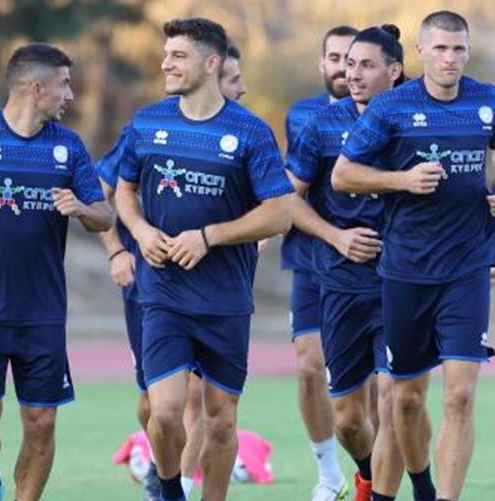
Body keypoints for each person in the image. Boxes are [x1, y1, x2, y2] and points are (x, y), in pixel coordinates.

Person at [332, 10, 495, 501]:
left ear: (468, 52)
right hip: (406, 270)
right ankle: (418, 487)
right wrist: (402, 180)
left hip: (468, 268)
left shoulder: (486, 99)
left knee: (460, 395)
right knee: (407, 400)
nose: (449, 58)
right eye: (440, 48)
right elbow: (343, 175)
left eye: (458, 49)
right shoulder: (390, 108)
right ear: (420, 53)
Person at [114, 17, 294, 501]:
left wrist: (209, 237)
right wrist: (140, 231)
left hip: (225, 299)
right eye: (166, 55)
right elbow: (124, 190)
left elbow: (279, 213)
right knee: (165, 412)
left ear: (211, 63)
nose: (165, 64)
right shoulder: (148, 121)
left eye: (178, 56)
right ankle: (171, 491)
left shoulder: (251, 132)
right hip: (162, 294)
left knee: (220, 420)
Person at [0, 42, 113, 501]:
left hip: (42, 311)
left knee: (41, 423)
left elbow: (104, 216)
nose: (71, 95)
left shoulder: (68, 146)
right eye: (64, 85)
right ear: (36, 88)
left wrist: (82, 209)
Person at [97, 41, 250, 500]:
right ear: (213, 72)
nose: (242, 88)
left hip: (216, 292)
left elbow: (273, 206)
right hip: (150, 285)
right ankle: (159, 470)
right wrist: (117, 251)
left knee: (202, 401)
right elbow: (103, 191)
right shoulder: (149, 125)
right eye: (235, 79)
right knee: (157, 404)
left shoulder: (245, 134)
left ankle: (175, 486)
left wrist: (237, 233)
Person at [286, 24, 409, 501]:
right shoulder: (319, 124)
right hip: (338, 283)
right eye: (346, 64)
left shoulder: (416, 120)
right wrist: (336, 236)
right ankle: (364, 476)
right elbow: (288, 200)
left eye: (362, 64)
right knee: (349, 420)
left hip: (399, 282)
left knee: (395, 399)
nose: (350, 73)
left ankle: (391, 493)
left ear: (393, 71)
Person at [282, 24, 359, 500]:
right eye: (334, 58)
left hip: (368, 262)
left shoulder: (386, 113)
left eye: (352, 59)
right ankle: (329, 474)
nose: (343, 69)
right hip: (312, 256)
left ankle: (373, 475)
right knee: (310, 368)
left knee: (369, 389)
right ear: (321, 64)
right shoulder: (301, 115)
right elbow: (290, 185)